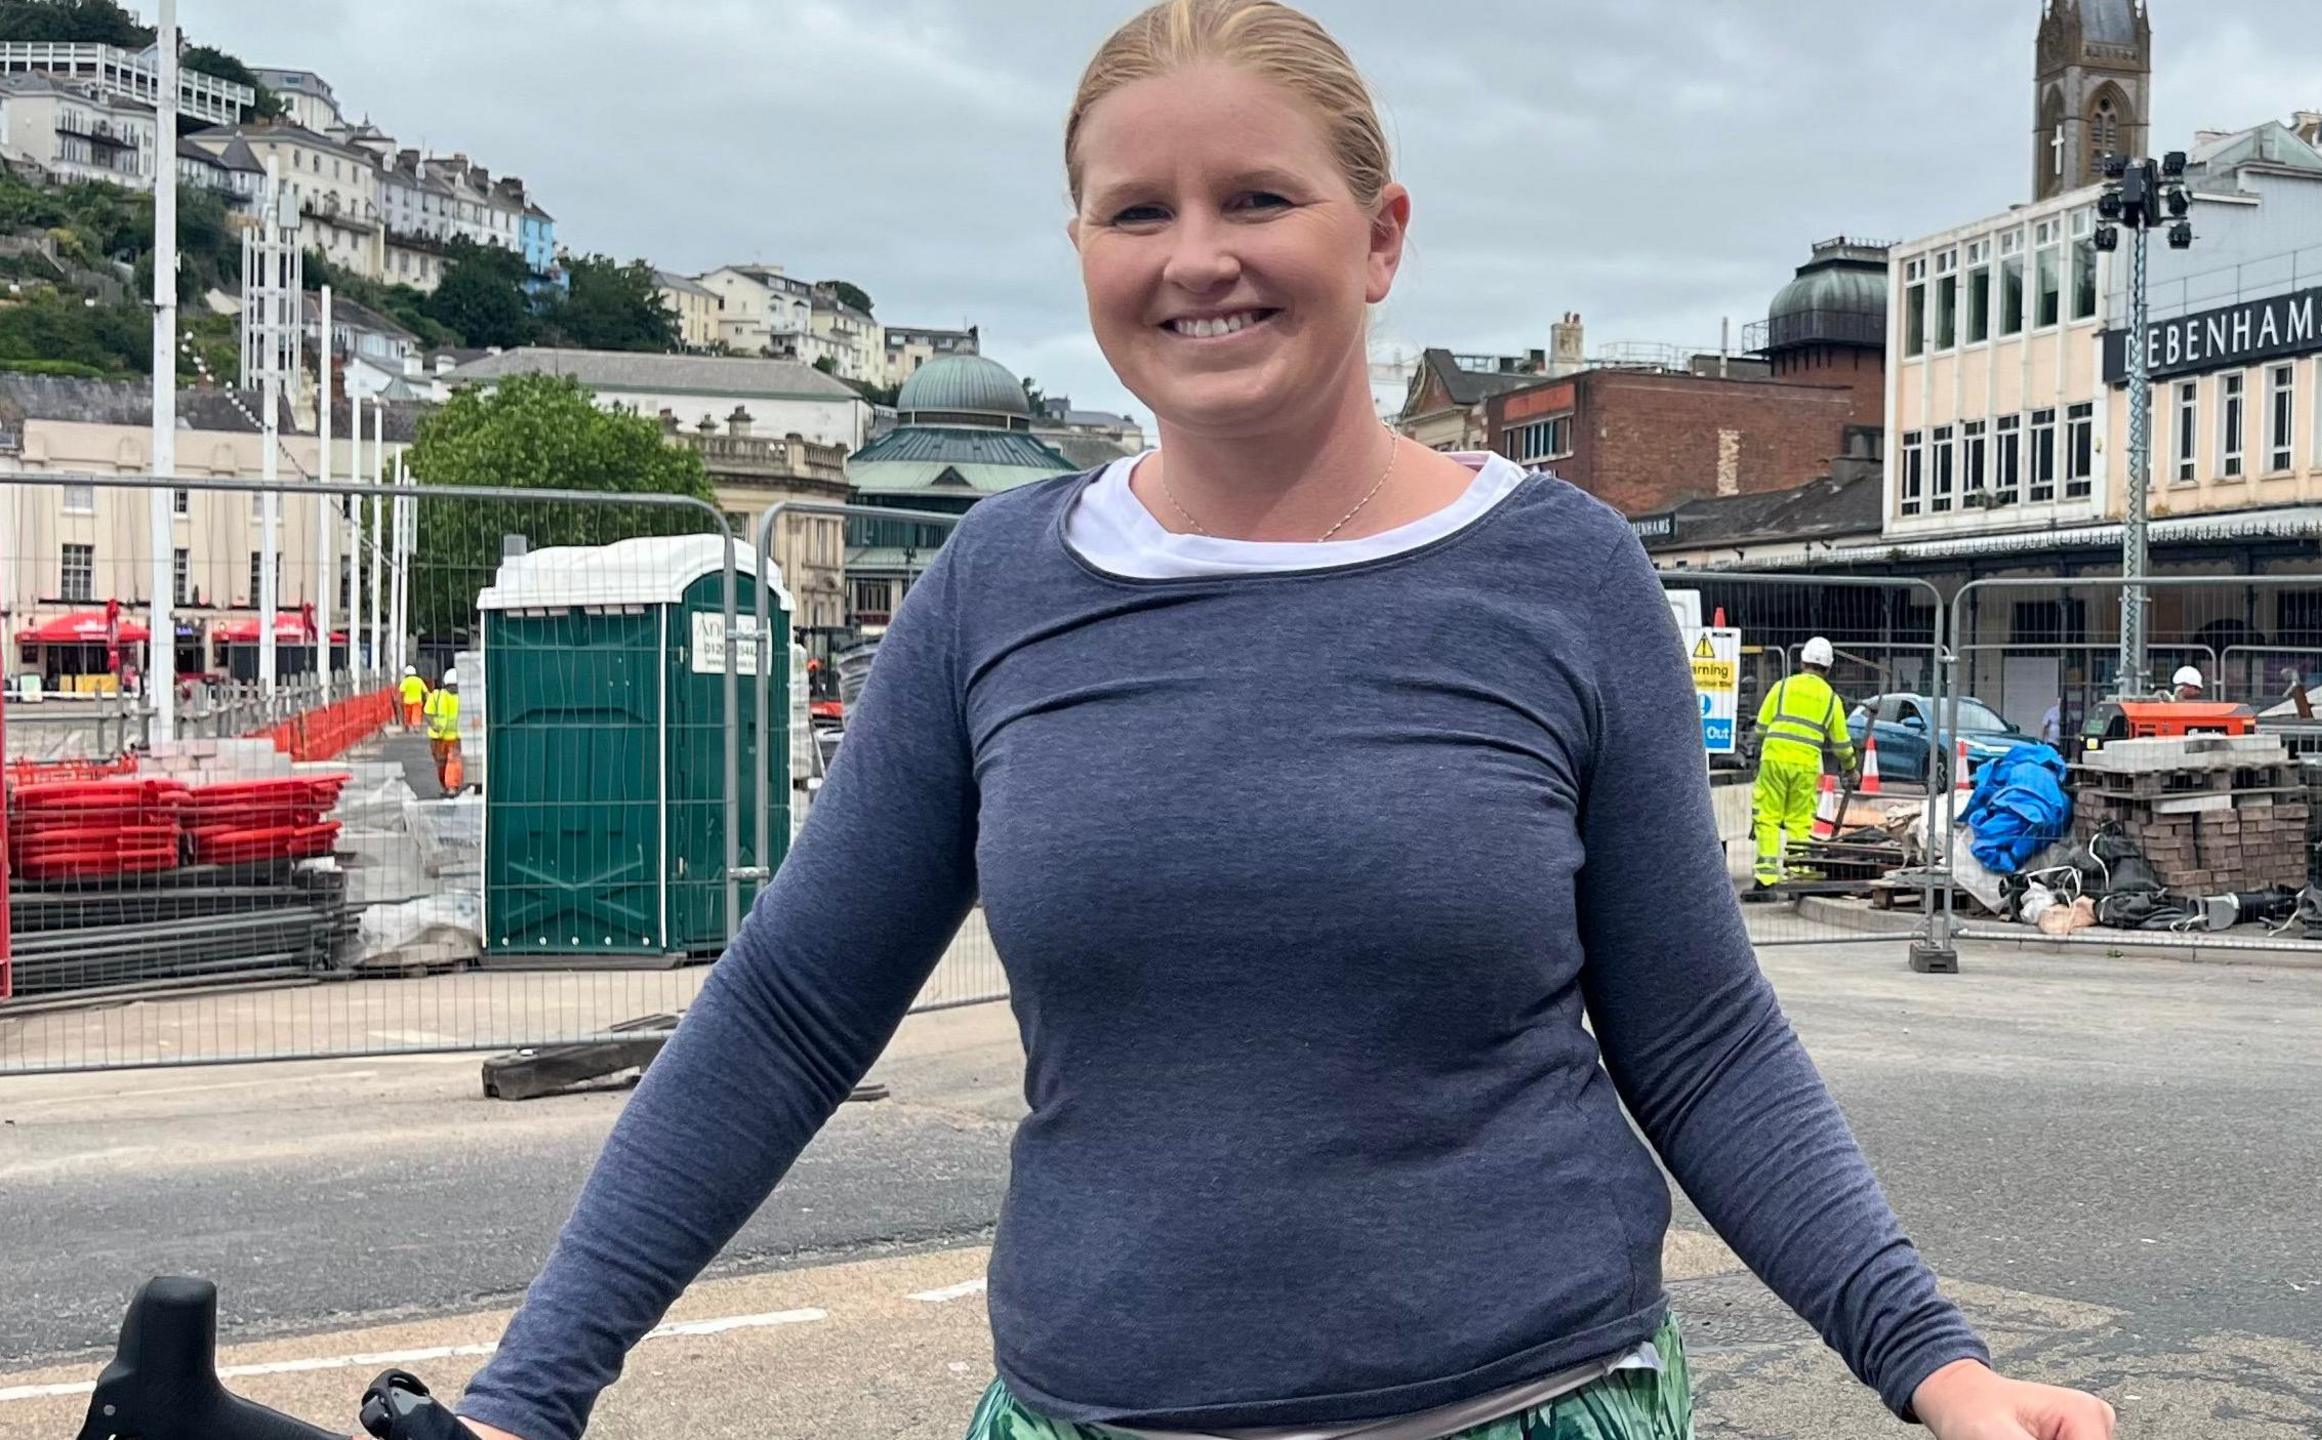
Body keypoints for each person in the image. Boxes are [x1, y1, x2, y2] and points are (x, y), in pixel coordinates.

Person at [447, 7, 2114, 1440]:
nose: (1197, 257)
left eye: (1259, 197)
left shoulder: (1562, 574)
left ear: (1379, 238)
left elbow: (1698, 1036)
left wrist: (1933, 1366)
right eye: (1136, 211)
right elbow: (793, 1012)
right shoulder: (995, 585)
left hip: (1532, 1405)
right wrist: (530, 1393)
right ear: (1086, 253)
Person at [1751, 637, 1856, 892]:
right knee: (1799, 820)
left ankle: (1765, 878)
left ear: (1802, 662)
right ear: (1829, 669)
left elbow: (1761, 727)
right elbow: (1841, 743)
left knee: (1767, 817)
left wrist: (1761, 749)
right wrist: (1851, 767)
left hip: (1774, 758)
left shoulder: (1782, 687)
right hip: (1806, 765)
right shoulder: (1831, 698)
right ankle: (1798, 873)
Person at [424, 669, 462, 798]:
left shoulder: (439, 696)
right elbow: (428, 713)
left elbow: (427, 713)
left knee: (453, 761)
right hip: (439, 737)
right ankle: (446, 785)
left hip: (453, 737)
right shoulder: (437, 695)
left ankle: (451, 786)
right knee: (442, 763)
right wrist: (434, 725)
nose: (454, 689)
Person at [398, 664, 428, 730]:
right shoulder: (419, 680)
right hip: (417, 701)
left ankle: (407, 726)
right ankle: (416, 727)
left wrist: (400, 699)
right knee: (416, 714)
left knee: (407, 715)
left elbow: (402, 691)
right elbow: (425, 691)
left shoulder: (405, 681)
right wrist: (427, 699)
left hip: (407, 701)